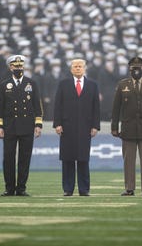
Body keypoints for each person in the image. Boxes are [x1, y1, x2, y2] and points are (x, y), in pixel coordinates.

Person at [111, 56, 142, 196]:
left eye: (138, 68)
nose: (136, 71)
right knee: (128, 161)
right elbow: (116, 108)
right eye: (133, 68)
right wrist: (114, 127)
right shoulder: (122, 85)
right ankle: (129, 188)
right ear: (129, 69)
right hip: (128, 128)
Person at [0, 55, 43, 196]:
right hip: (10, 127)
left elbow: (37, 106)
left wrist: (38, 124)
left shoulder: (32, 83)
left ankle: (21, 188)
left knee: (24, 159)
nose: (18, 68)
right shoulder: (4, 85)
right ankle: (9, 188)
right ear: (11, 67)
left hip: (27, 126)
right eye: (16, 66)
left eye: (20, 66)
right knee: (8, 159)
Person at [53, 58, 100, 196]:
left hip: (86, 128)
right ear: (71, 69)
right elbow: (58, 105)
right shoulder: (63, 84)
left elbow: (96, 107)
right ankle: (68, 189)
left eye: (80, 66)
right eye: (75, 66)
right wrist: (57, 124)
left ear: (85, 68)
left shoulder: (93, 85)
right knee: (67, 159)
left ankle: (84, 189)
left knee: (83, 159)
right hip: (67, 127)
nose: (78, 68)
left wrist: (95, 126)